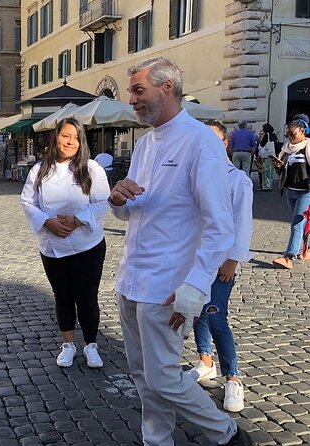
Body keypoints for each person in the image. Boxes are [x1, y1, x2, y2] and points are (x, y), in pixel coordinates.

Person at [110, 57, 252, 446]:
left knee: (164, 378)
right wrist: (118, 199)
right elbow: (132, 212)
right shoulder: (143, 143)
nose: (132, 100)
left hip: (169, 286)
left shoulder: (200, 140)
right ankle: (157, 441)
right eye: (131, 92)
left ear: (167, 87)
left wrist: (195, 285)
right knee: (143, 375)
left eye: (138, 90)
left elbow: (220, 225)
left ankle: (226, 434)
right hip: (131, 280)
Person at [21, 117, 110, 369]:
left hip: (87, 245)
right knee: (62, 295)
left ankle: (91, 344)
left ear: (82, 142)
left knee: (87, 296)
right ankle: (68, 344)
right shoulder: (39, 170)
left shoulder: (92, 169)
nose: (70, 142)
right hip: (53, 246)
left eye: (75, 137)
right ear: (56, 137)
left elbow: (103, 202)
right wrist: (47, 222)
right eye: (65, 136)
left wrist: (77, 221)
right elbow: (28, 202)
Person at [186, 120, 252, 413]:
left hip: (222, 260)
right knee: (197, 312)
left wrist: (233, 259)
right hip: (195, 259)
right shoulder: (194, 176)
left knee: (216, 316)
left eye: (213, 140)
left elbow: (242, 222)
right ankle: (205, 360)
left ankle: (233, 376)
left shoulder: (237, 179)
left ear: (224, 143)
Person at [271, 116, 310, 269]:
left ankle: (289, 256)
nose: (290, 137)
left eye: (293, 134)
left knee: (297, 223)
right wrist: (278, 165)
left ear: (302, 132)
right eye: (288, 134)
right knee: (302, 222)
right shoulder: (286, 148)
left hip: (306, 192)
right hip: (290, 190)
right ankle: (307, 249)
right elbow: (281, 171)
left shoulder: (308, 146)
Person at [257, 123, 278, 191]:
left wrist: (261, 140)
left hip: (266, 155)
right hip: (272, 154)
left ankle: (266, 186)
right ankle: (269, 185)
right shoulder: (274, 135)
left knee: (265, 171)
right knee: (270, 171)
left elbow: (262, 144)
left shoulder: (267, 135)